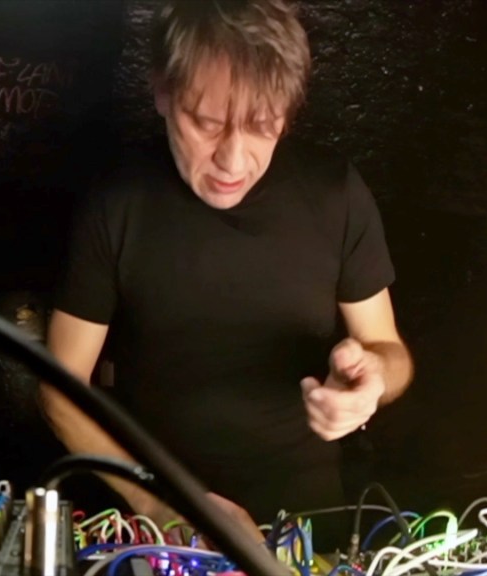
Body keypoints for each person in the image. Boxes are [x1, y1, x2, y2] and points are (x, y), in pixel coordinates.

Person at [39, 0, 413, 550]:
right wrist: (160, 507)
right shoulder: (116, 203)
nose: (233, 162)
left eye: (263, 126)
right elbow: (60, 389)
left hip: (307, 528)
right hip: (162, 529)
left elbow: (390, 352)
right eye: (206, 124)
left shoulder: (335, 193)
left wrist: (372, 381)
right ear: (161, 91)